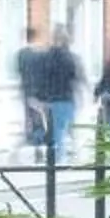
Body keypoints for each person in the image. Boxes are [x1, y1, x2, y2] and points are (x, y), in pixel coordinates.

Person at [33, 22, 81, 163]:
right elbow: (74, 76)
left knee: (56, 130)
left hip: (52, 98)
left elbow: (42, 78)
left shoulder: (47, 56)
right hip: (67, 96)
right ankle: (65, 155)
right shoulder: (70, 57)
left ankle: (59, 156)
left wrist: (40, 97)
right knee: (67, 128)